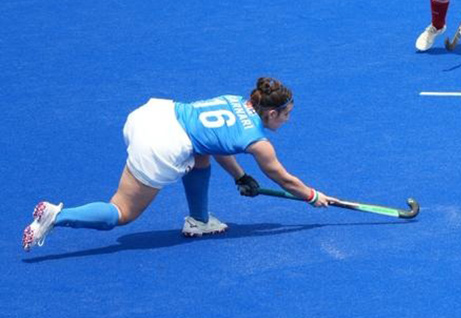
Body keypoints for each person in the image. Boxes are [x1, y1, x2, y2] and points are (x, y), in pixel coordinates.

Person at [21, 77, 329, 252]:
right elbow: (283, 178)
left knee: (199, 156)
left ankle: (199, 219)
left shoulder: (236, 100)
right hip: (162, 144)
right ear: (272, 114)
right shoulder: (259, 143)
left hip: (153, 115)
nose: (288, 120)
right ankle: (57, 216)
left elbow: (213, 143)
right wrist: (313, 197)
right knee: (123, 211)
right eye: (286, 114)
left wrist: (239, 176)